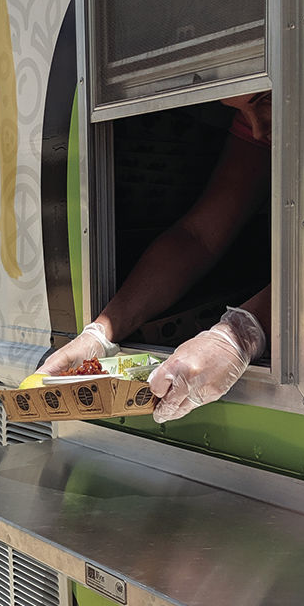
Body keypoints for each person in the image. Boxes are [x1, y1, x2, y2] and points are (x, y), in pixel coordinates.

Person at [43, 93, 272, 421]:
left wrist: (242, 332)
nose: (258, 128)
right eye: (240, 112)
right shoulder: (260, 125)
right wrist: (102, 332)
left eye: (263, 99)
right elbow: (199, 236)